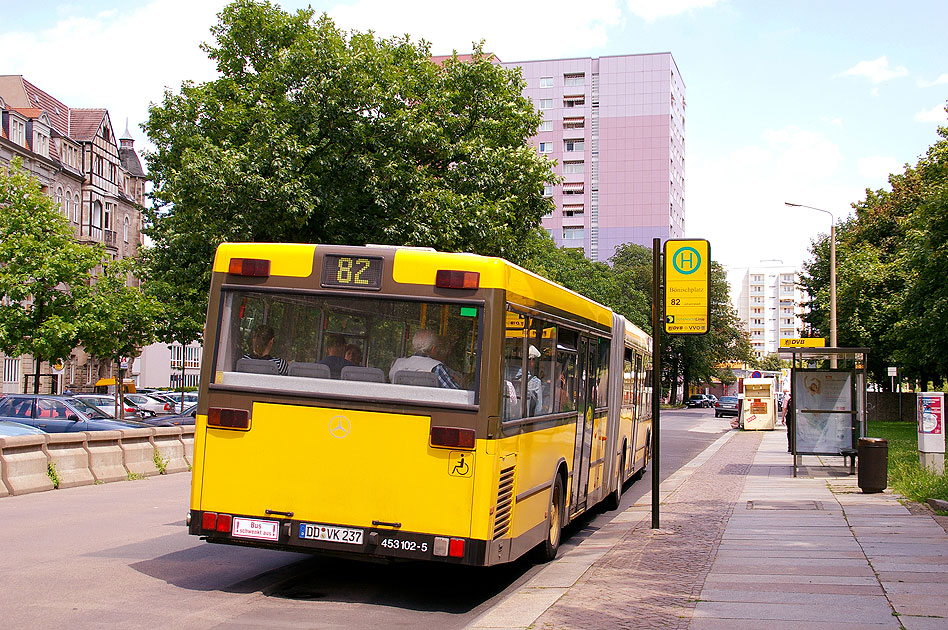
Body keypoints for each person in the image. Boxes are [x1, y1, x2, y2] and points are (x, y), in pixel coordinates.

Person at [389, 329, 460, 389]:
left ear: (413, 346)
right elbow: (455, 394)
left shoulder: (397, 363)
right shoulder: (436, 367)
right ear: (433, 349)